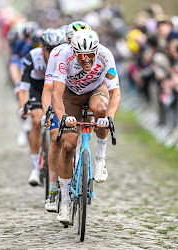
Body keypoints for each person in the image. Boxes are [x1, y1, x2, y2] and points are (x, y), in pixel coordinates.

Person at [52, 29, 121, 222]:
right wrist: (63, 117)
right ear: (74, 51)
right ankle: (64, 202)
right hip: (71, 95)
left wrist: (108, 118)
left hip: (95, 91)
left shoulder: (106, 55)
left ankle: (100, 158)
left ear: (96, 51)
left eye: (90, 55)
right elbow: (56, 95)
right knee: (67, 145)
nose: (86, 60)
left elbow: (115, 93)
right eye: (81, 56)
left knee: (101, 109)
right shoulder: (64, 56)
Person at [41, 21, 91, 212]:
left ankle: (82, 169)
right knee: (57, 139)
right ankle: (54, 191)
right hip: (62, 97)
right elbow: (48, 89)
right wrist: (48, 111)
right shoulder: (58, 54)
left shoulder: (94, 55)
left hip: (83, 98)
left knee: (81, 134)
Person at [18, 28, 64, 186]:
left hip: (56, 89)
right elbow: (23, 86)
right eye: (49, 49)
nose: (52, 53)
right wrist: (23, 107)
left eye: (55, 49)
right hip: (37, 89)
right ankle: (35, 167)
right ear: (42, 48)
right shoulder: (33, 57)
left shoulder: (64, 58)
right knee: (37, 121)